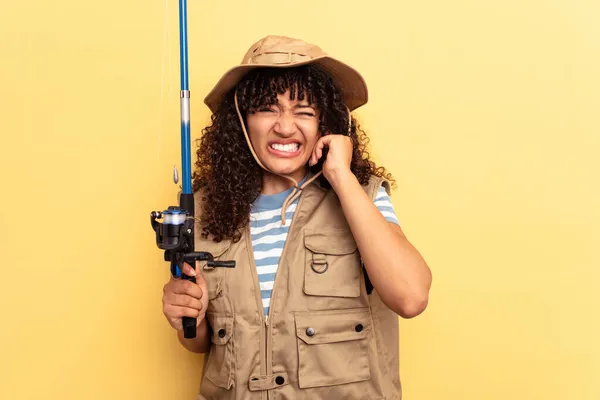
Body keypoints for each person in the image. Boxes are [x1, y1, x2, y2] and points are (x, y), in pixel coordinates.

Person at [161, 35, 432, 400]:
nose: (286, 127)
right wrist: (187, 318)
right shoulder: (205, 211)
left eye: (304, 111)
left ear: (327, 123)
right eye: (267, 109)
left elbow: (411, 297)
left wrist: (342, 175)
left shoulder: (361, 194)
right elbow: (206, 346)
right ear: (241, 121)